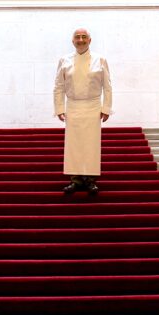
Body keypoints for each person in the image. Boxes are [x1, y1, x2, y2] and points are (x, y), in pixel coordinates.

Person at [53, 28, 112, 195]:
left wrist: (106, 108)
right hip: (72, 106)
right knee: (74, 145)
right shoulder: (64, 60)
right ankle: (75, 180)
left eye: (84, 37)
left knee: (91, 145)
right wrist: (59, 108)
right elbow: (58, 87)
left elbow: (107, 86)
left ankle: (90, 180)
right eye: (77, 37)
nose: (81, 40)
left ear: (90, 40)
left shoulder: (100, 59)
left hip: (93, 106)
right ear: (73, 41)